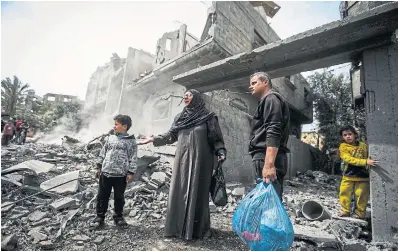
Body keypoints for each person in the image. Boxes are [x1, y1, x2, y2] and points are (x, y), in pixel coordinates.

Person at [140, 89, 226, 240]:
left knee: (198, 191)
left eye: (189, 95)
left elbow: (216, 138)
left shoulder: (208, 117)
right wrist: (154, 139)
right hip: (183, 161)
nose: (185, 97)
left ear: (197, 98)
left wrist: (220, 151)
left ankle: (198, 231)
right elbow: (171, 135)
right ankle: (177, 229)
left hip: (202, 161)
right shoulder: (180, 117)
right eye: (184, 95)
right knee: (179, 191)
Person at [248, 72, 291, 200]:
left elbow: (273, 130)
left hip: (268, 158)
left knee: (270, 202)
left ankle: (270, 221)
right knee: (268, 200)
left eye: (254, 83)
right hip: (267, 157)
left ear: (265, 82)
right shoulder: (268, 100)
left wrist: (269, 165)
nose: (250, 87)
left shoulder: (270, 99)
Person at [91, 114, 137, 228]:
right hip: (106, 173)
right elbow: (103, 152)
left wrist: (131, 172)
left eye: (116, 124)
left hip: (120, 175)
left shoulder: (131, 142)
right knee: (102, 196)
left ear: (125, 126)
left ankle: (118, 217)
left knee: (119, 197)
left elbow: (133, 157)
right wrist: (98, 167)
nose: (114, 126)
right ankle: (100, 217)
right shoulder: (110, 138)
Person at [338, 125, 377, 219]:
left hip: (363, 176)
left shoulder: (363, 146)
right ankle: (345, 211)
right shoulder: (343, 147)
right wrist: (365, 162)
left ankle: (360, 213)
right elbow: (349, 159)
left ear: (355, 135)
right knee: (344, 192)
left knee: (361, 194)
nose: (348, 136)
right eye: (345, 135)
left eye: (350, 134)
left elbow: (368, 157)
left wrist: (368, 161)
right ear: (342, 137)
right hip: (348, 175)